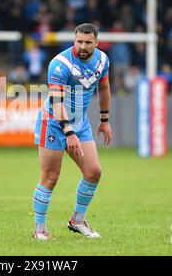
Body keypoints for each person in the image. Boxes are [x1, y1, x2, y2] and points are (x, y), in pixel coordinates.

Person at [32, 23, 113, 240]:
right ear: (73, 41)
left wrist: (104, 120)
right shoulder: (60, 64)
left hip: (80, 123)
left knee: (94, 172)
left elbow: (104, 89)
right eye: (79, 41)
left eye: (88, 42)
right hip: (53, 123)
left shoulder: (103, 60)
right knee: (50, 177)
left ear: (96, 43)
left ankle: (77, 220)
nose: (83, 46)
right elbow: (56, 102)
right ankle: (39, 229)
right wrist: (69, 133)